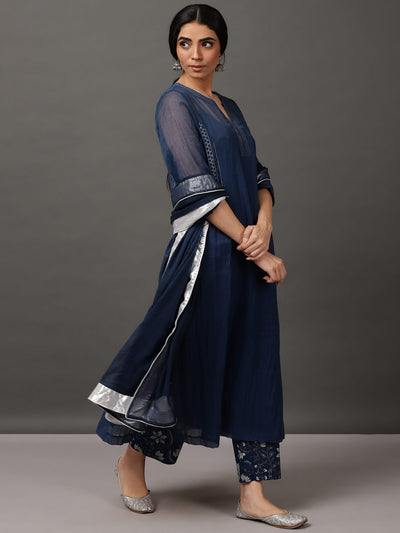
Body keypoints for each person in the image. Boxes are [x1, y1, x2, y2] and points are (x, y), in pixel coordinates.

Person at [87, 3, 308, 529]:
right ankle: (131, 461)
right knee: (181, 355)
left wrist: (265, 224)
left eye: (206, 43)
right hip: (205, 253)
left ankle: (253, 494)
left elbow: (258, 173)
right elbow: (195, 187)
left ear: (221, 49)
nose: (195, 53)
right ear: (174, 48)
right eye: (185, 43)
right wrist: (257, 248)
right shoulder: (174, 104)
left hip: (248, 247)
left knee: (255, 360)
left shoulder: (229, 106)